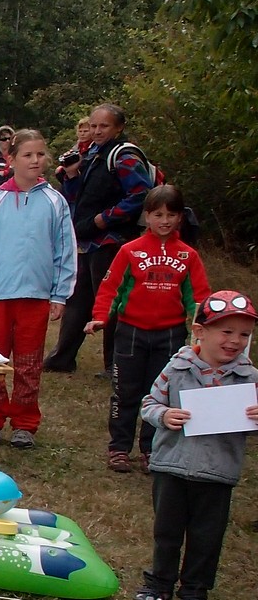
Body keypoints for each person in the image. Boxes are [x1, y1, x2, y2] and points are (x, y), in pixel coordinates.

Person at [133, 290, 258, 600]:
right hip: (171, 466)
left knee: (207, 537)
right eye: (226, 331)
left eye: (244, 334)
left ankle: (195, 592)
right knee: (167, 531)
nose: (235, 341)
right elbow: (149, 403)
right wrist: (164, 415)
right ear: (200, 331)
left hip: (218, 472)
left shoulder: (250, 378)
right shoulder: (177, 369)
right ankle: (158, 584)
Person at [0, 129, 77, 449]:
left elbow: (65, 251)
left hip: (36, 297)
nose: (35, 160)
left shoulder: (55, 202)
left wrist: (60, 294)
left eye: (40, 154)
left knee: (28, 364)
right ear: (11, 159)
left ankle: (24, 421)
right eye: (27, 155)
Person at [85, 184, 211, 472]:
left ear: (180, 217)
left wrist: (201, 327)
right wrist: (101, 316)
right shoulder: (130, 251)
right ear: (147, 216)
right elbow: (111, 287)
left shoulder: (188, 256)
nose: (164, 221)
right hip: (131, 332)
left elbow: (199, 297)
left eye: (171, 215)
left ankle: (151, 450)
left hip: (170, 335)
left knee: (160, 394)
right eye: (158, 215)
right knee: (124, 392)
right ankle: (119, 448)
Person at [45, 103, 155, 374]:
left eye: (104, 126)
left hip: (113, 242)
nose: (97, 131)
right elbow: (76, 197)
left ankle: (115, 364)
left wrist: (103, 219)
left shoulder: (124, 156)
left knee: (111, 302)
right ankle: (61, 358)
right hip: (86, 240)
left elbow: (142, 195)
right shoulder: (92, 154)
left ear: (119, 128)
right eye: (93, 125)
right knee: (77, 300)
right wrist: (72, 174)